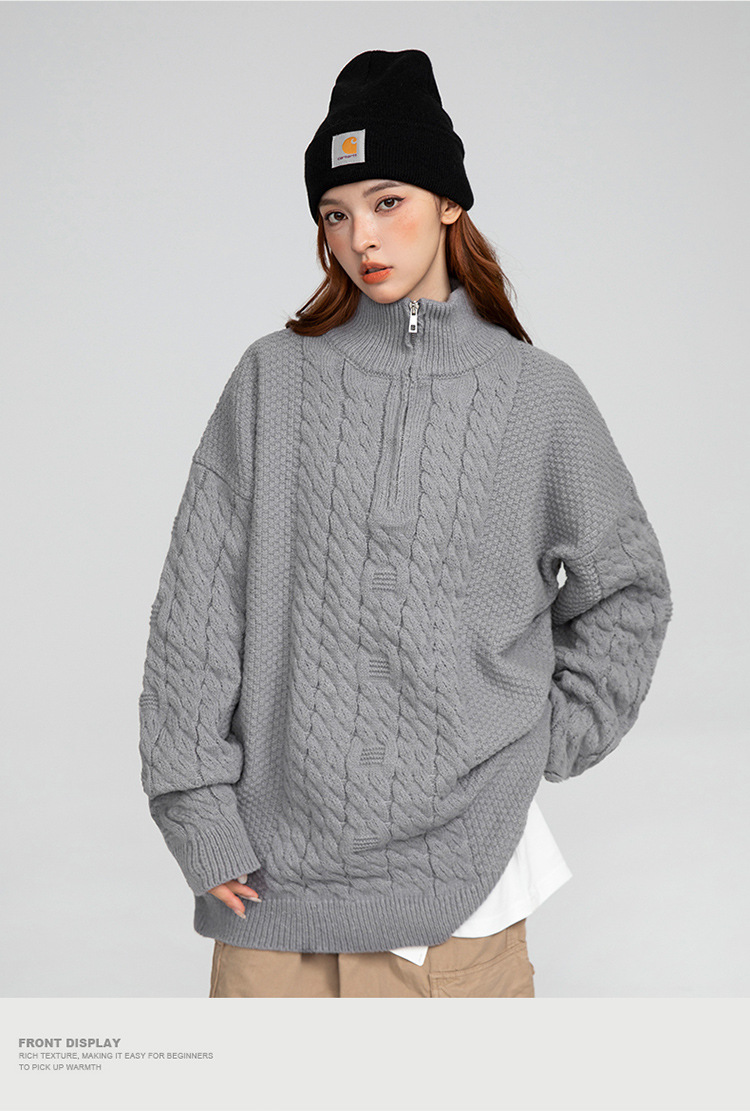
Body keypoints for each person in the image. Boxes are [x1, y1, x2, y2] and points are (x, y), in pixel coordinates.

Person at [138, 49, 673, 998]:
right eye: (336, 214)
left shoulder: (538, 397)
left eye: (388, 202)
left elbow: (626, 591)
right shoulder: (271, 381)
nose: (363, 238)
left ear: (449, 202)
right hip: (271, 887)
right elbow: (196, 612)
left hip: (466, 892)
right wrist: (197, 812)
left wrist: (541, 740)